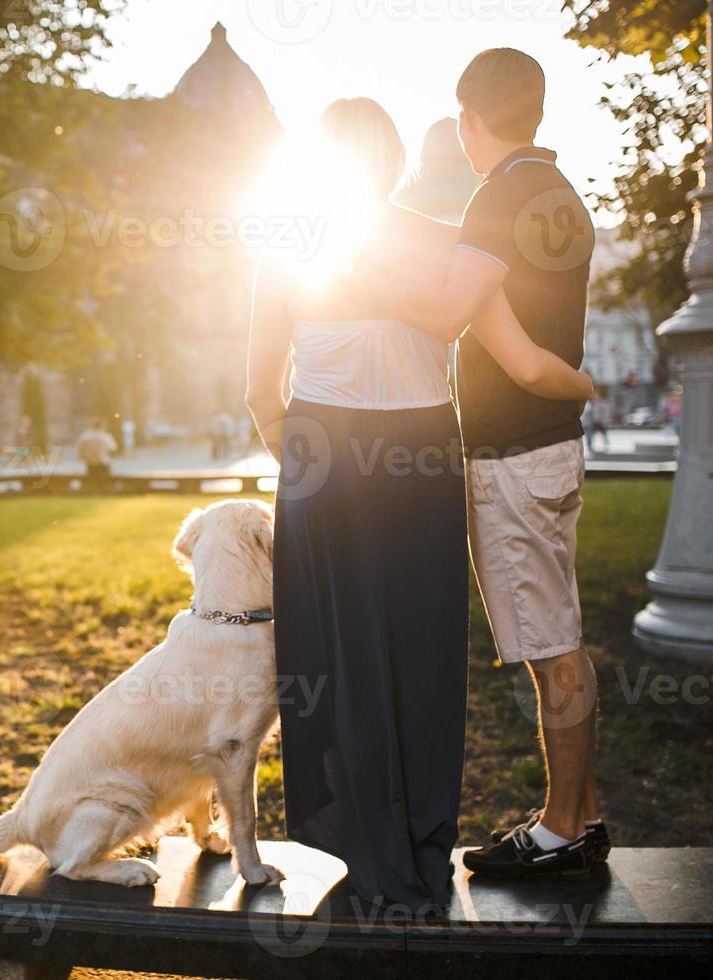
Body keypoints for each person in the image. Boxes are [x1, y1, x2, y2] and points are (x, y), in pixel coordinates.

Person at [247, 96, 592, 912]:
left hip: (323, 461)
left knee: (341, 656)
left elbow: (261, 392)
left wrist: (307, 466)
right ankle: (422, 830)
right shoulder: (448, 245)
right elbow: (517, 356)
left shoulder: (290, 247)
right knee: (423, 651)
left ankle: (357, 830)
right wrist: (576, 385)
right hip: (422, 462)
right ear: (396, 161)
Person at [364, 49, 608, 879]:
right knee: (559, 642)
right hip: (551, 446)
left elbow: (444, 314)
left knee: (553, 650)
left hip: (514, 456)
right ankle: (578, 815)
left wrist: (359, 273)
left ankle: (562, 829)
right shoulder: (556, 190)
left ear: (470, 118)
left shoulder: (498, 195)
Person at [76, 418, 118, 489]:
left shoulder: (84, 436)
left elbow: (80, 452)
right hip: (103, 464)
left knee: (91, 481)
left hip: (89, 464)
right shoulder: (105, 436)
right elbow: (113, 449)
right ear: (102, 426)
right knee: (105, 479)